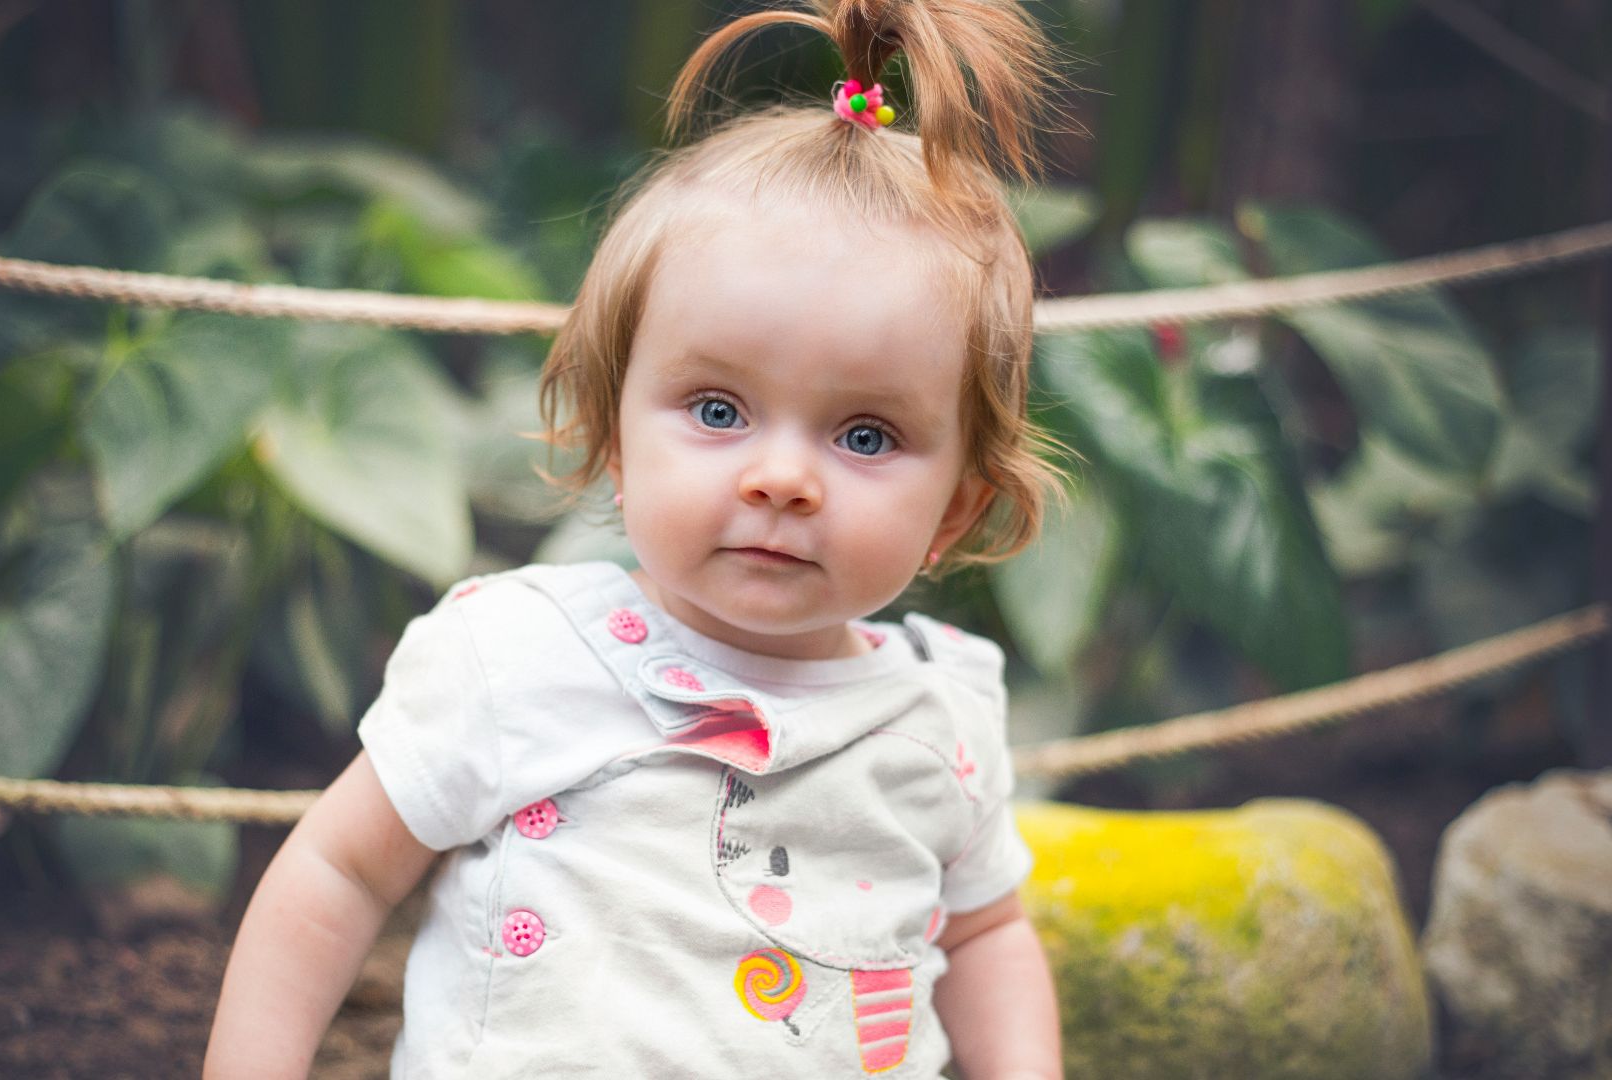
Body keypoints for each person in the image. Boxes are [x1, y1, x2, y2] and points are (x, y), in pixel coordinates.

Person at [206, 0, 1068, 1075]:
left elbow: (985, 932)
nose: (782, 478)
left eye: (865, 433)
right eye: (717, 410)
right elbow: (338, 872)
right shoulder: (519, 659)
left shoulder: (943, 721)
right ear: (614, 436)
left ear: (957, 509)